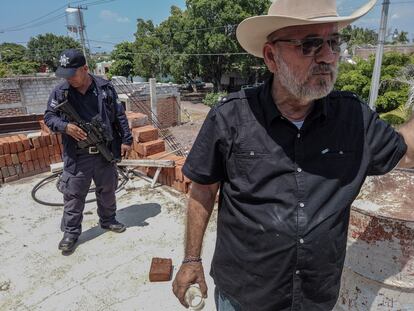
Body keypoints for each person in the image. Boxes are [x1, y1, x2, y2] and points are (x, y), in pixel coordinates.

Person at [173, 0, 414, 310]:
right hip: (244, 297)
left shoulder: (353, 118)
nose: (328, 56)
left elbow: (405, 151)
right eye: (310, 44)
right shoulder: (230, 117)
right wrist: (191, 259)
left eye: (333, 42)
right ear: (272, 56)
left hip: (316, 299)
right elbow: (203, 189)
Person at [44, 49, 132, 253]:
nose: (69, 79)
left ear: (85, 69)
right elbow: (49, 117)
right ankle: (71, 232)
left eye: (72, 74)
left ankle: (108, 220)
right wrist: (66, 127)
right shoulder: (61, 92)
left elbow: (119, 116)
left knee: (108, 190)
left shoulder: (105, 88)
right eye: (65, 75)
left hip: (103, 151)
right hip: (77, 155)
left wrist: (126, 140)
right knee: (74, 195)